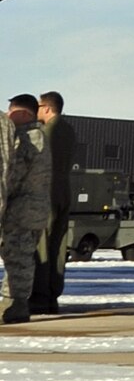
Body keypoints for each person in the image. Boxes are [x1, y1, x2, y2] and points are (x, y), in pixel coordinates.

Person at [0, 95, 50, 324]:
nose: (9, 117)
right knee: (20, 256)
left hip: (21, 211)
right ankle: (15, 303)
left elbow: (12, 176)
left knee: (17, 258)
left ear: (25, 115)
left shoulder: (29, 139)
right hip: (33, 210)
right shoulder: (39, 136)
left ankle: (15, 305)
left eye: (13, 113)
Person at [30, 92, 73, 315]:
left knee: (42, 244)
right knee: (58, 244)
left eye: (38, 107)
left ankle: (39, 297)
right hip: (64, 189)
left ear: (47, 108)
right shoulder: (68, 130)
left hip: (46, 190)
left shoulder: (46, 132)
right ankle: (52, 294)